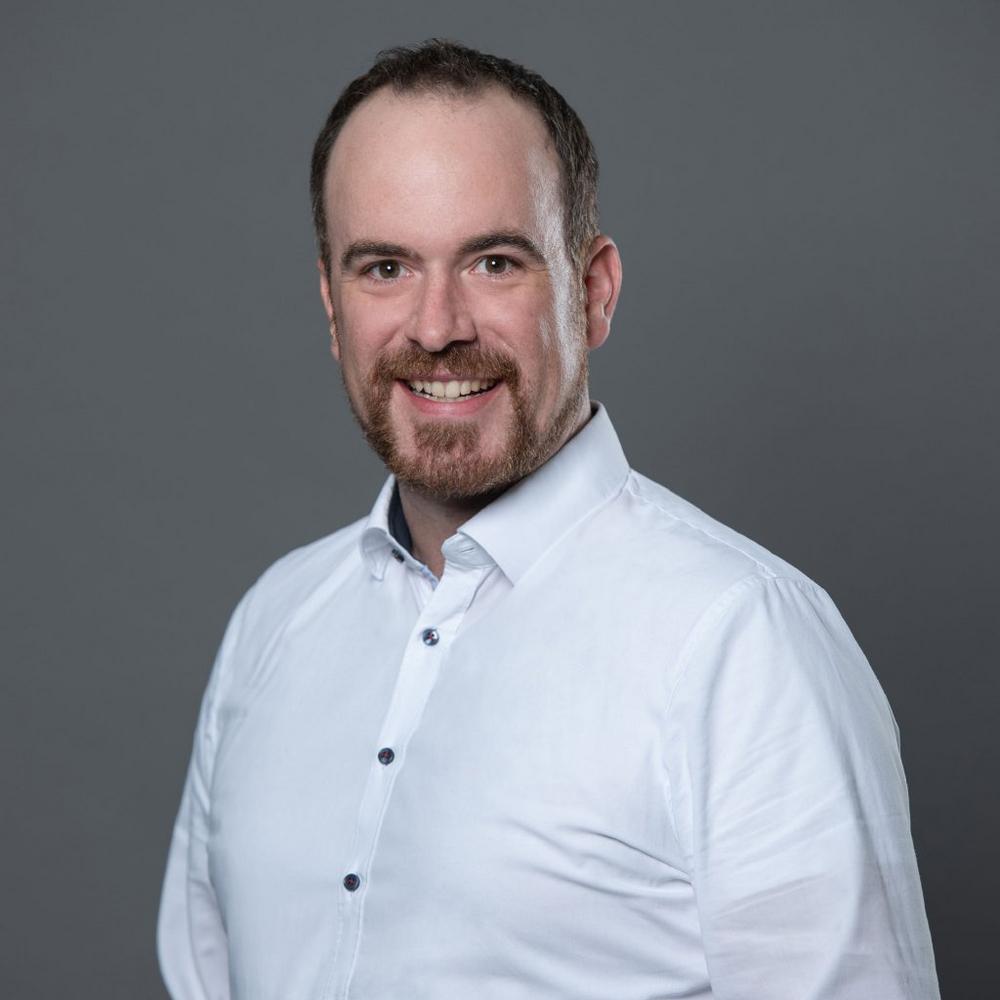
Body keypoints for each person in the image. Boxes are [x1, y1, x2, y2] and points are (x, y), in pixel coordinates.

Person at [157, 39, 940, 1000]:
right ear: (331, 304)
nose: (437, 326)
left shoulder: (743, 642)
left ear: (593, 291)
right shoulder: (272, 625)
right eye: (386, 267)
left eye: (494, 262)